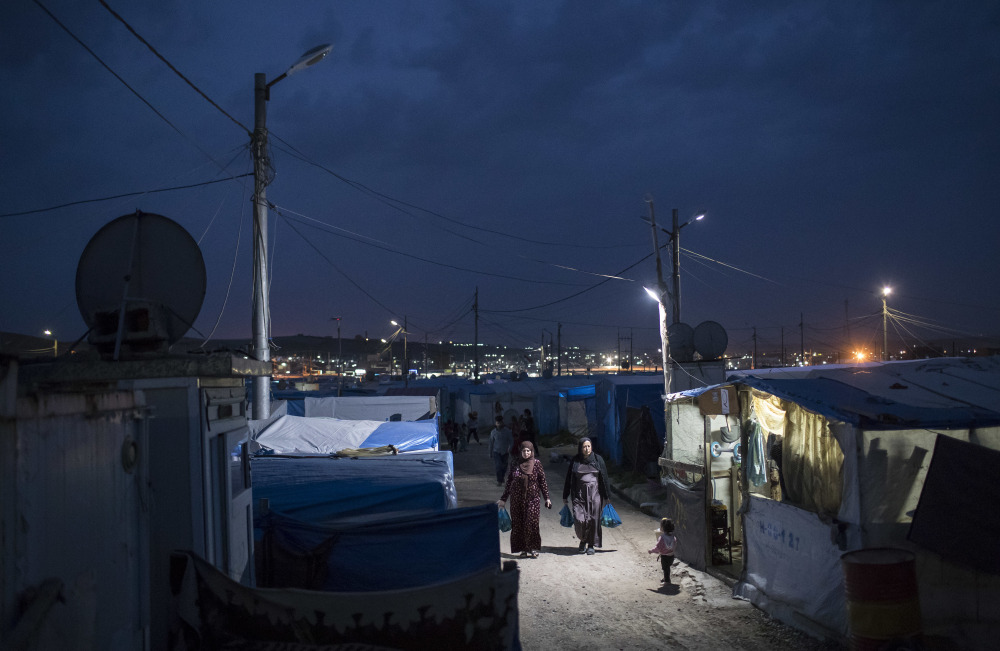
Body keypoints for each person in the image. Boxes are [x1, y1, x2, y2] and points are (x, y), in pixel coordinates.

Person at [497, 440, 551, 558]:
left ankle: (532, 548)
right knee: (518, 524)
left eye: (528, 451)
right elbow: (509, 482)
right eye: (524, 451)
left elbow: (542, 481)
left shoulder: (536, 464)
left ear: (532, 452)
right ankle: (523, 550)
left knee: (531, 523)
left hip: (533, 499)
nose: (526, 453)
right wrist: (503, 498)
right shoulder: (515, 463)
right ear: (520, 451)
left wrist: (547, 498)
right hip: (517, 500)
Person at [562, 437, 610, 555]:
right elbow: (569, 478)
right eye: (584, 447)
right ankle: (583, 539)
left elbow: (604, 478)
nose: (587, 449)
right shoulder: (575, 461)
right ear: (580, 448)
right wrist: (565, 495)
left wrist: (607, 497)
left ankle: (590, 544)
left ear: (591, 447)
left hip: (595, 495)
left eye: (589, 446)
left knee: (593, 520)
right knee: (580, 519)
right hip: (579, 495)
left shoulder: (598, 460)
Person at [649, 518, 677, 584]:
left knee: (665, 568)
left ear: (663, 528)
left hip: (664, 556)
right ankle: (666, 578)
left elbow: (658, 547)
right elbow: (675, 544)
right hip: (671, 555)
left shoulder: (662, 538)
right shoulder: (673, 537)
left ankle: (667, 581)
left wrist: (651, 551)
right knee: (668, 567)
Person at [488, 415, 514, 486]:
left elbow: (511, 441)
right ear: (496, 423)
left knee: (504, 466)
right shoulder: (493, 432)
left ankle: (502, 477)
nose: (499, 424)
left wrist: (510, 448)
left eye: (500, 422)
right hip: (496, 452)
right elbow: (491, 443)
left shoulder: (507, 431)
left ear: (503, 422)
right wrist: (490, 453)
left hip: (505, 452)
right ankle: (499, 480)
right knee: (498, 466)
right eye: (497, 423)